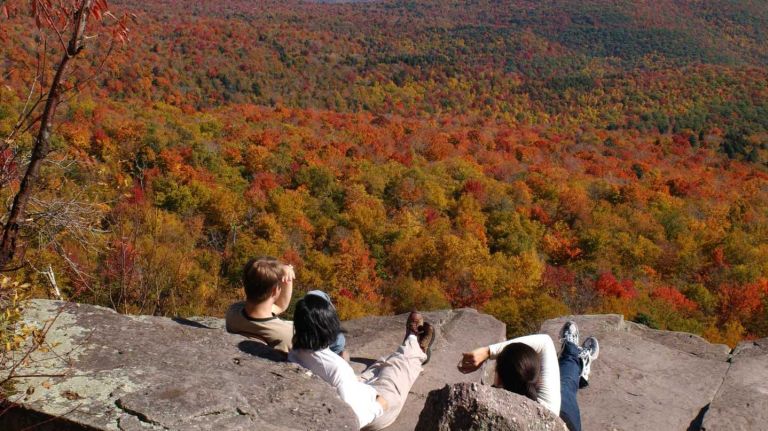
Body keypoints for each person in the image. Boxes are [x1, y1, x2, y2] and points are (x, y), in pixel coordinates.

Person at [289, 295, 435, 431]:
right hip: (374, 408)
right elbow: (353, 418)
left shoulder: (295, 352)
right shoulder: (336, 369)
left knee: (381, 365)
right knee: (398, 367)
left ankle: (411, 347)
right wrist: (379, 406)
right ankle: (415, 344)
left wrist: (343, 365)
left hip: (357, 388)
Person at [458, 321, 599, 431]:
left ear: (499, 379)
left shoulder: (487, 407)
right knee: (566, 385)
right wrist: (488, 351)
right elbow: (545, 342)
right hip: (564, 421)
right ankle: (577, 357)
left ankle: (572, 352)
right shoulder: (547, 407)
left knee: (565, 383)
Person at [225, 257, 346, 357]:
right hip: (314, 348)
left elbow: (280, 306)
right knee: (338, 337)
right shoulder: (291, 333)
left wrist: (286, 279)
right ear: (275, 290)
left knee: (317, 294)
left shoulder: (233, 312)